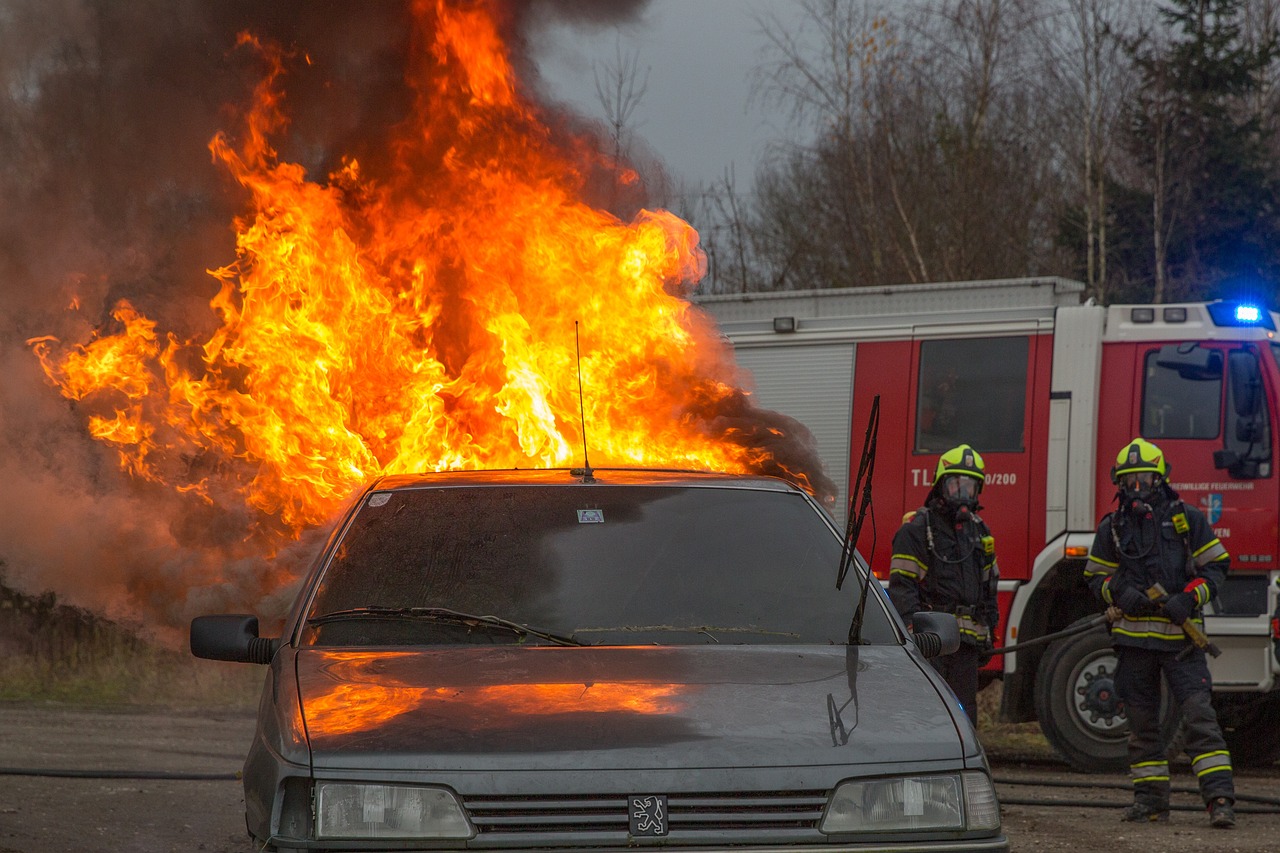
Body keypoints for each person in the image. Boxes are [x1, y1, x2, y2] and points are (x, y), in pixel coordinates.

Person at [1083, 437, 1235, 829]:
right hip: (1134, 643)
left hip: (1182, 642)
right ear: (1120, 482)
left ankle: (1220, 801)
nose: (1137, 488)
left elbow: (1217, 567)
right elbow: (1094, 577)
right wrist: (1118, 592)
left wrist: (1190, 597)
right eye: (1129, 481)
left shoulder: (1188, 520)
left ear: (1160, 478)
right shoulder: (1112, 527)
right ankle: (1150, 803)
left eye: (1144, 479)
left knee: (1200, 719)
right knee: (1142, 726)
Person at [888, 444, 999, 725]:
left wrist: (988, 631)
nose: (963, 494)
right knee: (930, 712)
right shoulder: (917, 529)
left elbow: (989, 586)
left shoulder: (980, 532)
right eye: (956, 485)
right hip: (933, 641)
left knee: (965, 715)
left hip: (967, 646)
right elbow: (903, 586)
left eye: (970, 487)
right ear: (940, 486)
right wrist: (915, 632)